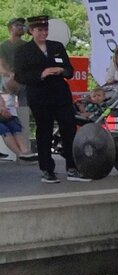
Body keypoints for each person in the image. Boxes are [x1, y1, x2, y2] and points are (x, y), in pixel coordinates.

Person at [13, 16, 85, 183]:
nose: (43, 33)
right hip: (40, 96)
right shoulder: (24, 51)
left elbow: (70, 70)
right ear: (31, 31)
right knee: (44, 132)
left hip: (60, 95)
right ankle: (47, 169)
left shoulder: (56, 46)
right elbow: (20, 76)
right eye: (39, 30)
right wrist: (41, 74)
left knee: (69, 129)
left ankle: (72, 167)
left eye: (45, 30)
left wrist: (62, 70)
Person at [0, 18, 31, 131]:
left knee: (24, 109)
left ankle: (23, 131)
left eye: (22, 25)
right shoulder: (3, 46)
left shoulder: (28, 46)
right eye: (17, 25)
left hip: (23, 82)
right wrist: (10, 74)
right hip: (8, 81)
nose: (21, 27)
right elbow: (1, 67)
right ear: (10, 28)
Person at [0, 92, 37, 162]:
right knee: (5, 130)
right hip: (5, 109)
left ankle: (25, 152)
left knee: (16, 128)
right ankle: (20, 153)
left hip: (9, 110)